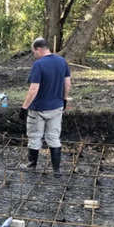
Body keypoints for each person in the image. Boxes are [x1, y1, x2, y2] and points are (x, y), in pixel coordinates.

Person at [19, 37, 71, 177]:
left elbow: (33, 89)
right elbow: (67, 84)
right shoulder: (62, 61)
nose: (34, 54)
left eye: (34, 51)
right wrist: (64, 99)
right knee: (54, 137)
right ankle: (56, 170)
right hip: (56, 107)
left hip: (38, 109)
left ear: (39, 49)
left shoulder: (39, 65)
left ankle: (31, 166)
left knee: (35, 136)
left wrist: (24, 107)